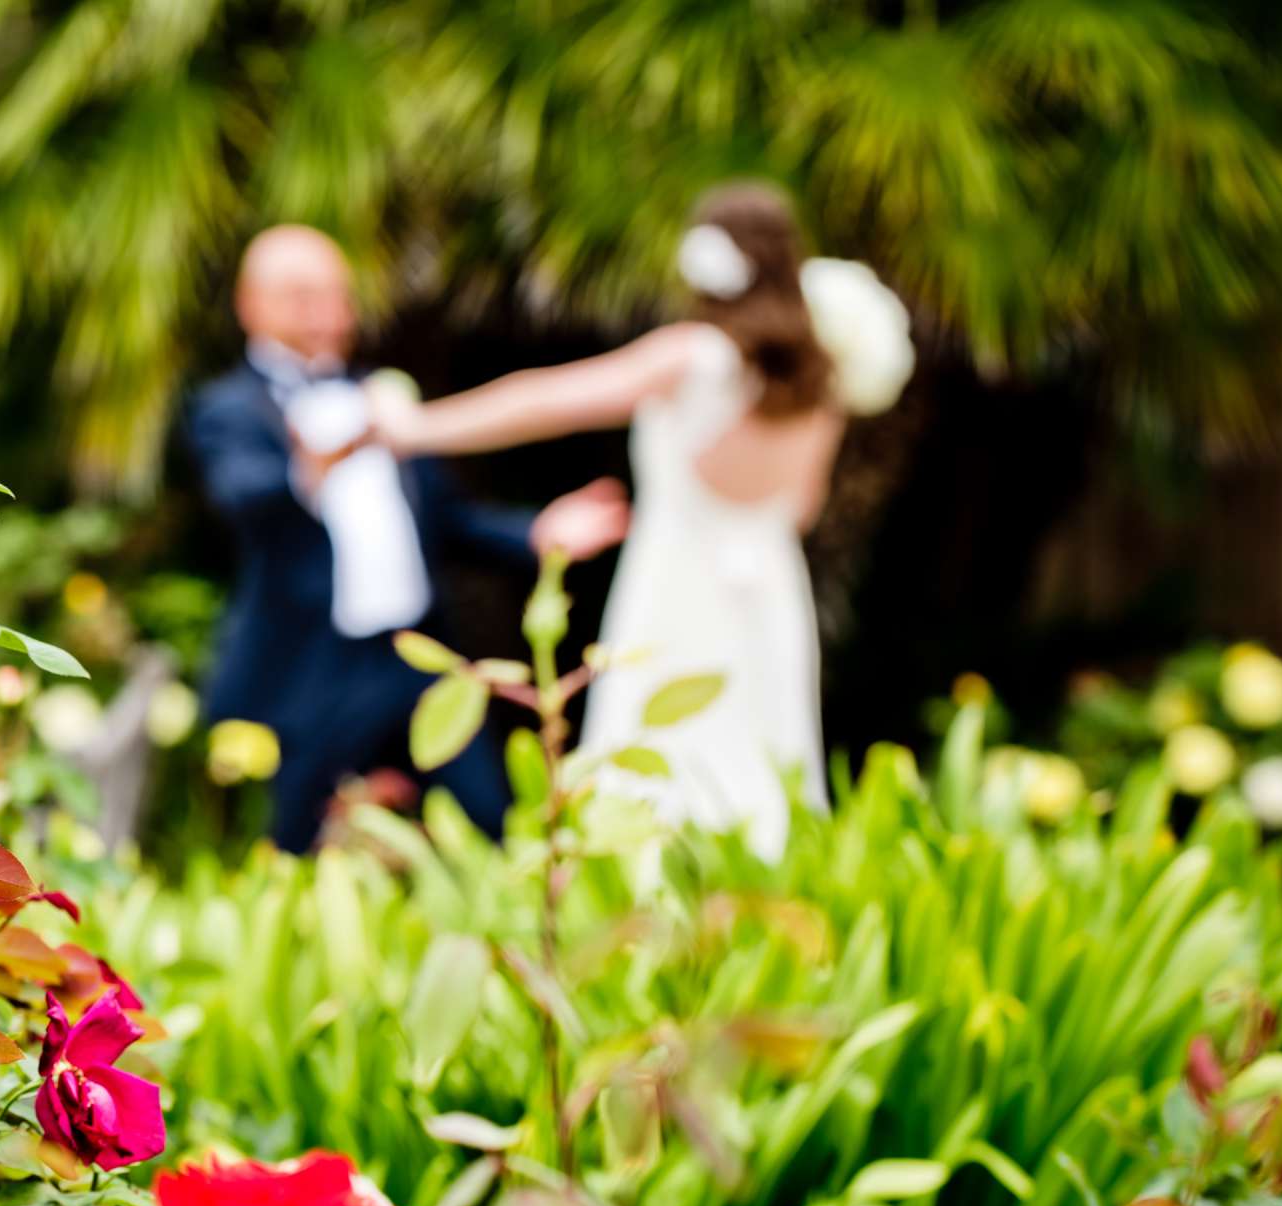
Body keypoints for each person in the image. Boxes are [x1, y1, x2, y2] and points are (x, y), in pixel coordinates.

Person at [369, 184, 909, 859]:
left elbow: (546, 400)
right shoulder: (819, 377)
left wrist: (417, 428)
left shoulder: (698, 354)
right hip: (770, 584)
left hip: (679, 575)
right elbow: (801, 507)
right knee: (763, 740)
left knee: (659, 741)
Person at [185, 224, 628, 851]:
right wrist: (330, 451)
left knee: (490, 820)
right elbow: (245, 499)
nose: (329, 314)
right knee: (297, 843)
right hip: (317, 667)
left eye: (338, 295)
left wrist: (539, 531)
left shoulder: (382, 392)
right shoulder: (230, 408)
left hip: (419, 653)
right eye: (304, 296)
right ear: (251, 304)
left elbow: (449, 521)